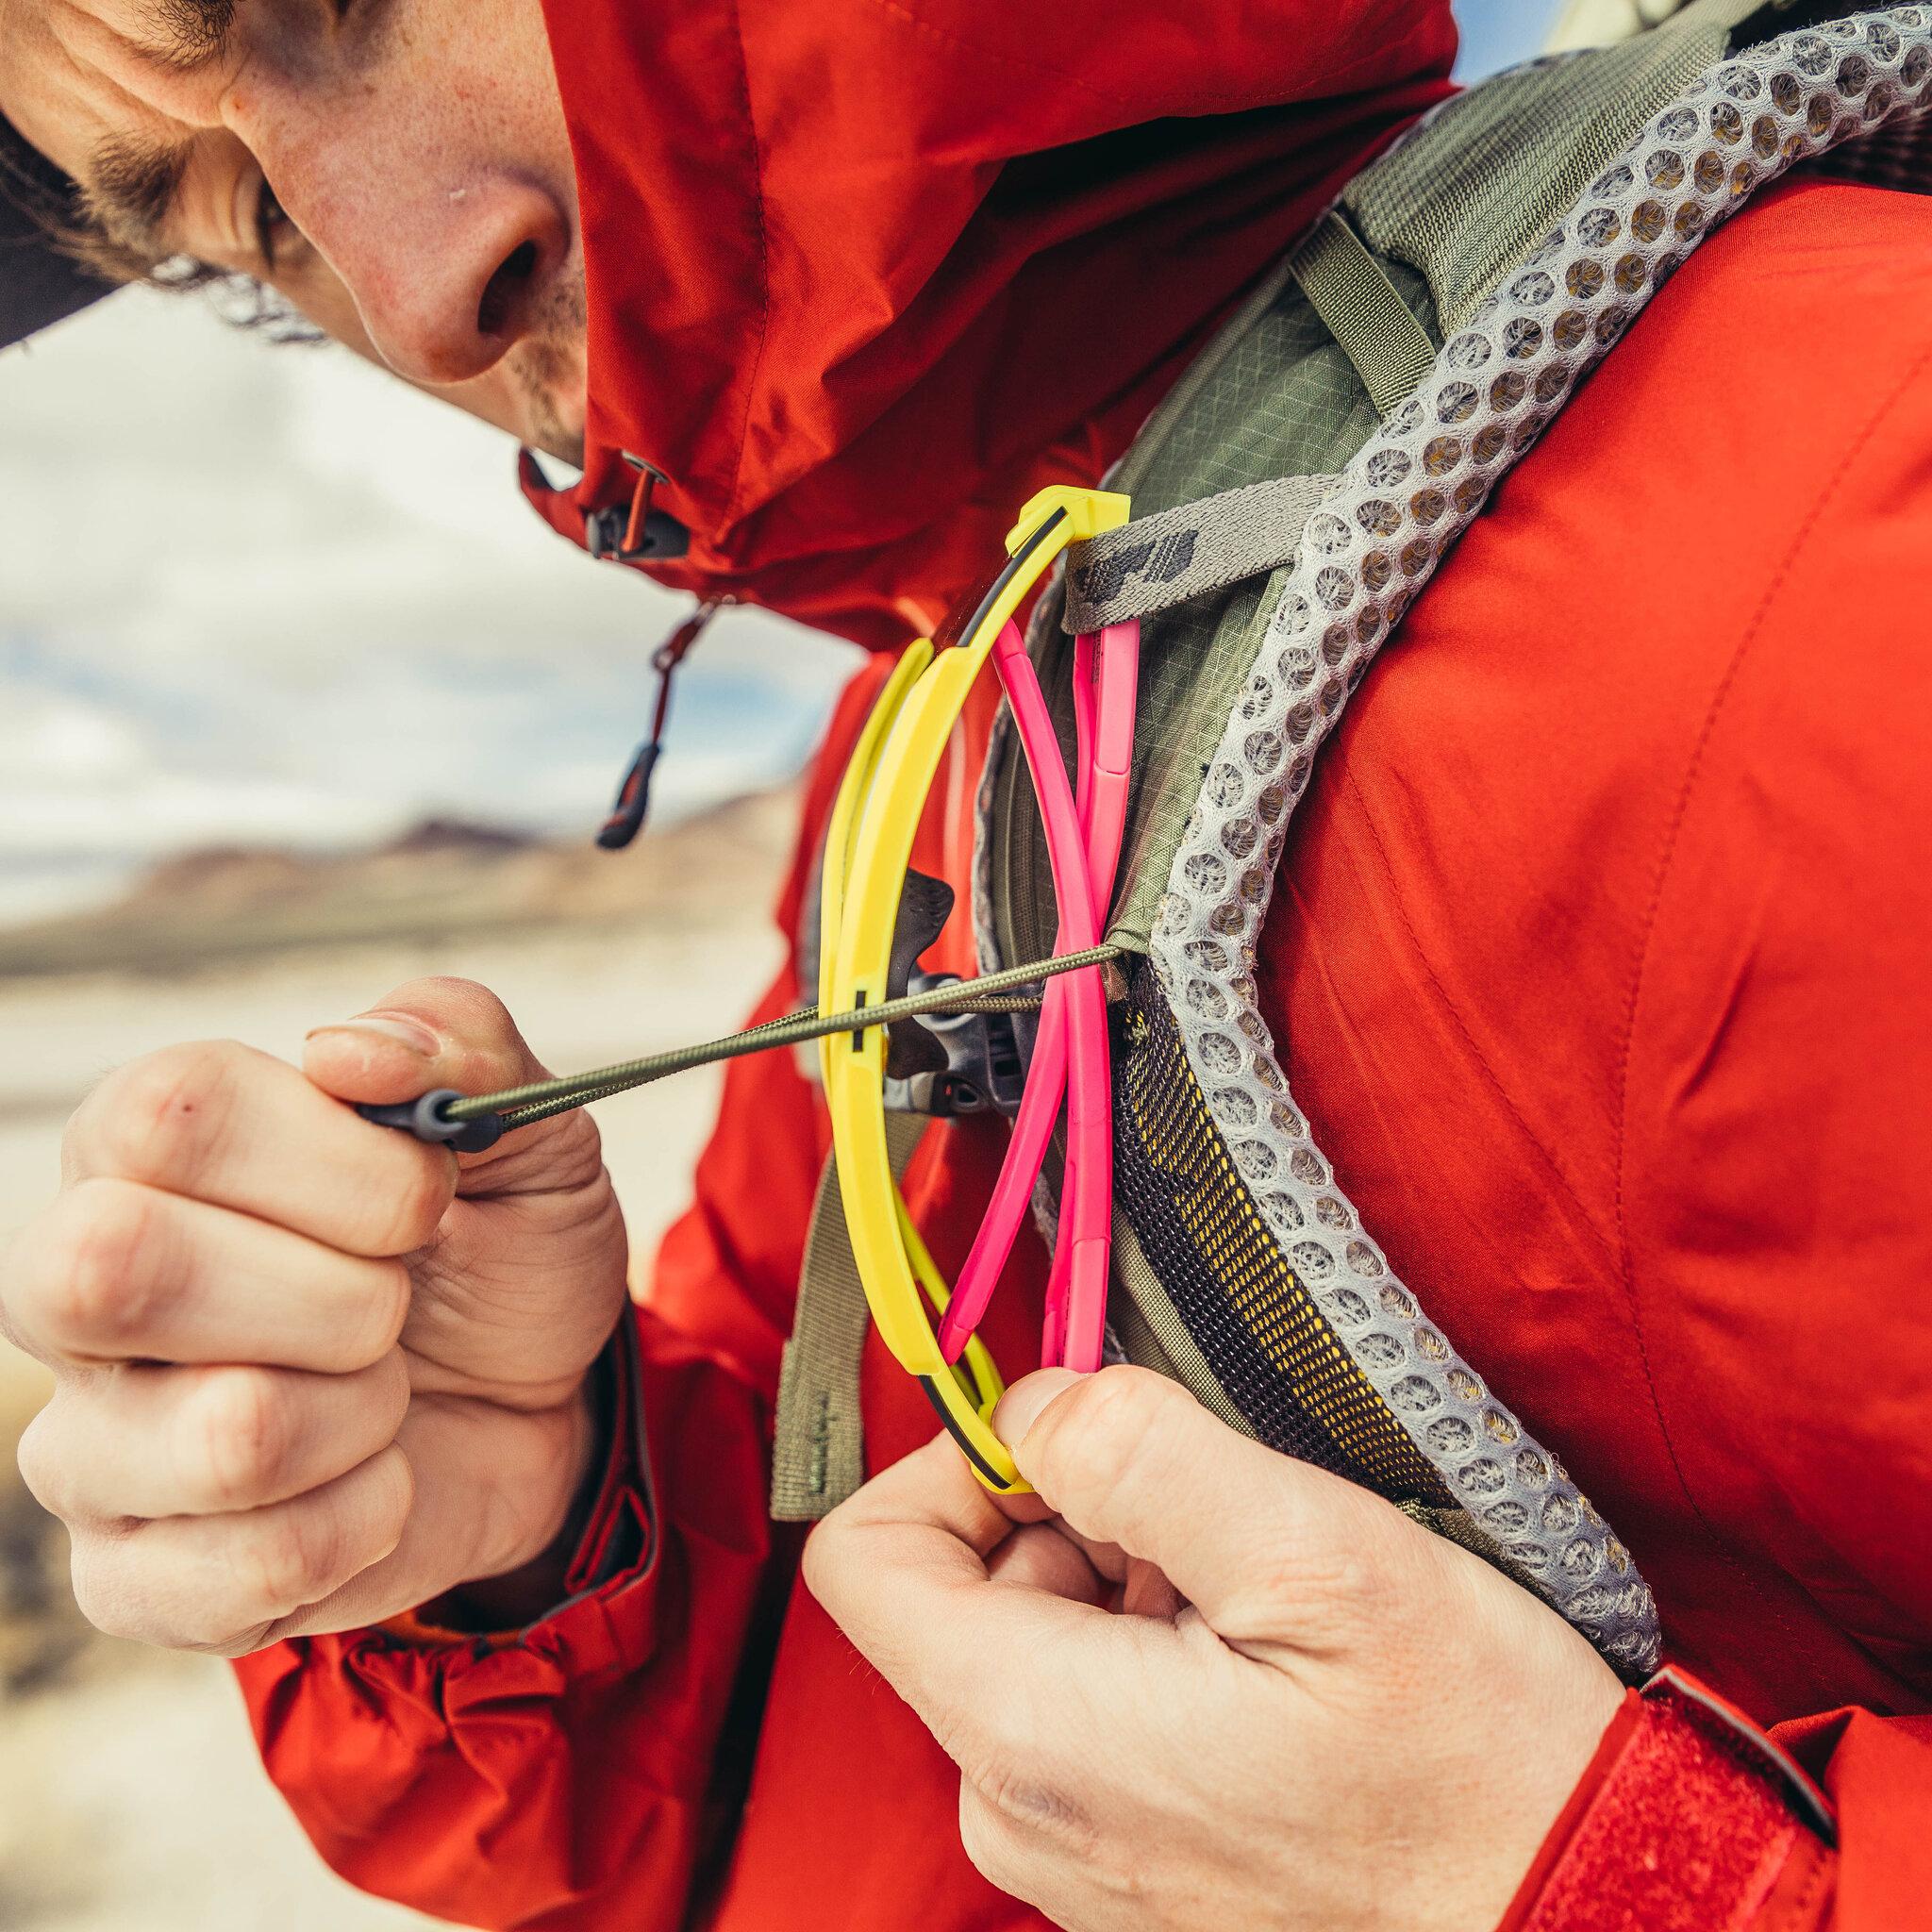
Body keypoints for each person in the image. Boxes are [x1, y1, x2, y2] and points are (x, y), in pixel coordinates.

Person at [1, 1, 1928, 1926]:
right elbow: (823, 1750)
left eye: (352, 4)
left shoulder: (1866, 494)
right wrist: (538, 1523)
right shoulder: (924, 761)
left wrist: (1640, 1887)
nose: (418, 300)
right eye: (253, 225)